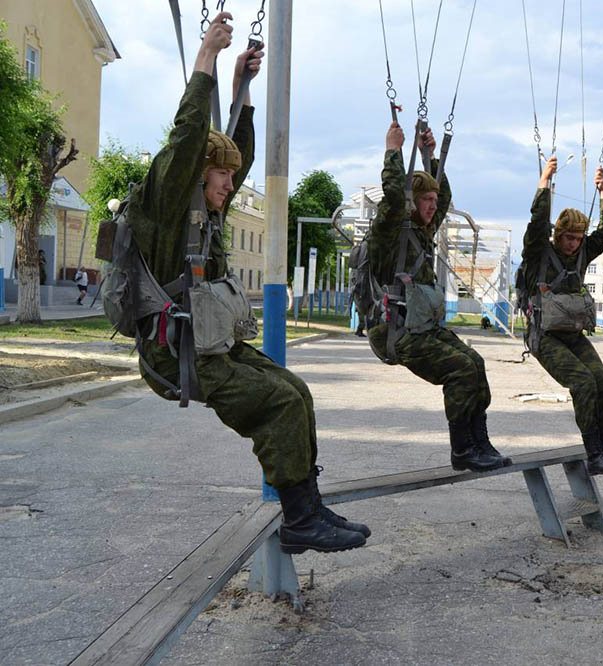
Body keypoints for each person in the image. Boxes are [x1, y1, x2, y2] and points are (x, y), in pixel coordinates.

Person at [128, 13, 368, 556]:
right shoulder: (166, 205)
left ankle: (307, 506)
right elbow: (188, 138)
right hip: (176, 354)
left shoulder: (205, 211)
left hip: (211, 343)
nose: (231, 187)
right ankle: (300, 521)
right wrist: (206, 61)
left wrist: (243, 92)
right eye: (223, 178)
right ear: (196, 173)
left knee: (296, 392)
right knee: (276, 405)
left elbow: (235, 151)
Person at [367, 120, 510, 473]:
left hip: (422, 329)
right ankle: (462, 450)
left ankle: (479, 441)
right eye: (425, 201)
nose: (434, 206)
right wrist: (393, 151)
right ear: (410, 202)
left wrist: (431, 155)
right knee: (460, 370)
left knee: (474, 363)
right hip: (397, 332)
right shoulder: (391, 231)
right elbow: (393, 197)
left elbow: (443, 196)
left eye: (433, 200)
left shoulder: (423, 231)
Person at [521, 156, 603, 475]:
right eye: (569, 237)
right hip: (544, 336)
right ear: (559, 234)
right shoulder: (538, 253)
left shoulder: (584, 251)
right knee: (583, 382)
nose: (574, 244)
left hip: (572, 334)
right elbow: (537, 224)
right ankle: (594, 453)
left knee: (602, 380)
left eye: (578, 238)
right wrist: (544, 183)